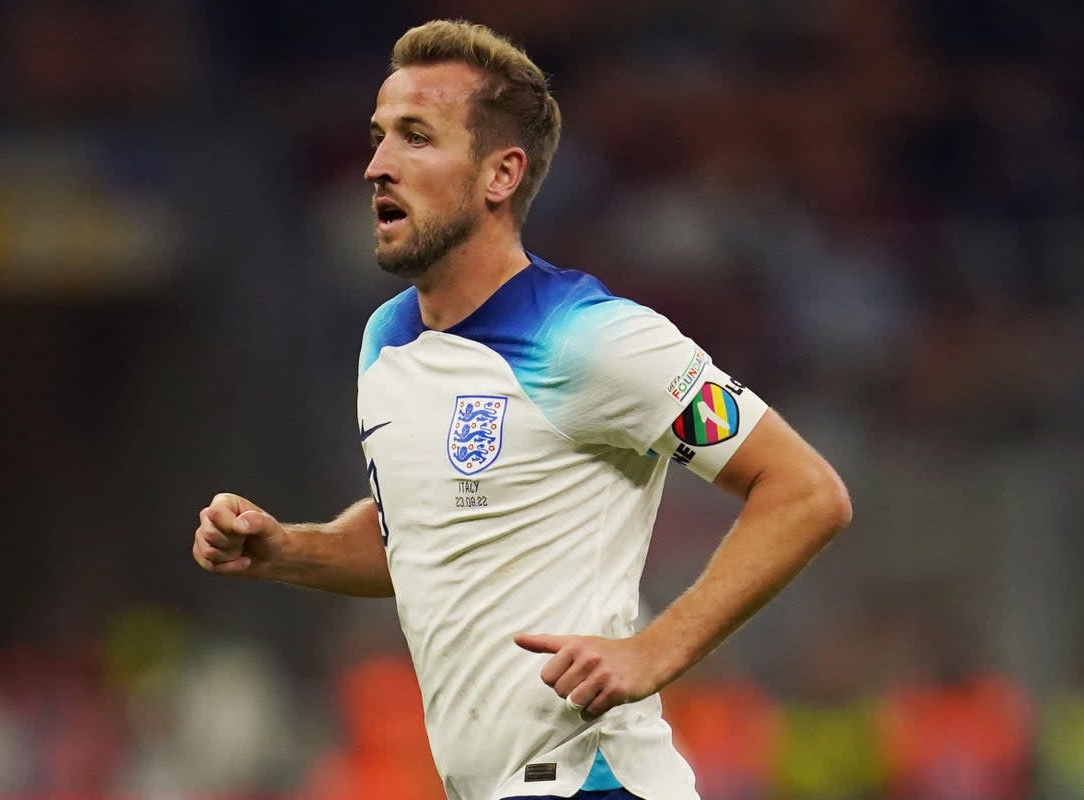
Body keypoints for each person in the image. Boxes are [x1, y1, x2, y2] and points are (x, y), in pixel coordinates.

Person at [193, 19, 852, 800]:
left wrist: (656, 648)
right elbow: (424, 536)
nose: (376, 165)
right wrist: (286, 550)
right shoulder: (387, 340)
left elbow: (805, 491)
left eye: (415, 137)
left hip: (593, 782)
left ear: (499, 175)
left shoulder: (594, 339)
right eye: (377, 137)